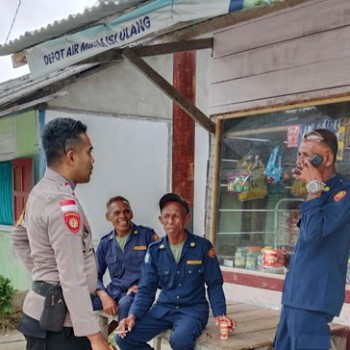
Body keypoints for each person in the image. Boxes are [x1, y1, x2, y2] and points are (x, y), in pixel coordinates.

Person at [12, 118, 113, 350]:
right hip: (60, 329)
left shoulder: (39, 192)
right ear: (71, 157)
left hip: (43, 318)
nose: (93, 159)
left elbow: (19, 236)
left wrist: (44, 274)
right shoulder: (61, 202)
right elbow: (72, 277)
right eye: (89, 152)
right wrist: (95, 338)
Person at [116, 193, 235, 350]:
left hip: (192, 311)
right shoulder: (154, 251)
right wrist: (132, 316)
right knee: (123, 337)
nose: (170, 221)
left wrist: (220, 314)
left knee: (180, 340)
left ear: (187, 219)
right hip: (163, 309)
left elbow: (214, 284)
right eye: (166, 216)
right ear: (161, 220)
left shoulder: (202, 247)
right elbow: (146, 290)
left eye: (176, 216)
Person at [274, 128, 350, 350]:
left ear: (326, 158)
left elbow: (314, 233)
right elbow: (311, 243)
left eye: (306, 155)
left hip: (314, 298)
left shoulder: (343, 194)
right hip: (295, 295)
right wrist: (289, 259)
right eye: (299, 154)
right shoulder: (319, 192)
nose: (300, 161)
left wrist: (314, 188)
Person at [92, 196, 159, 323]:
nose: (122, 216)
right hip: (114, 291)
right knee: (82, 302)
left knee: (125, 304)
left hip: (138, 292)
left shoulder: (146, 235)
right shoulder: (106, 242)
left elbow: (162, 267)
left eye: (126, 211)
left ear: (131, 214)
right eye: (117, 213)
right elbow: (95, 275)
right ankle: (90, 341)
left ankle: (122, 340)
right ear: (108, 217)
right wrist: (104, 296)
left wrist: (143, 285)